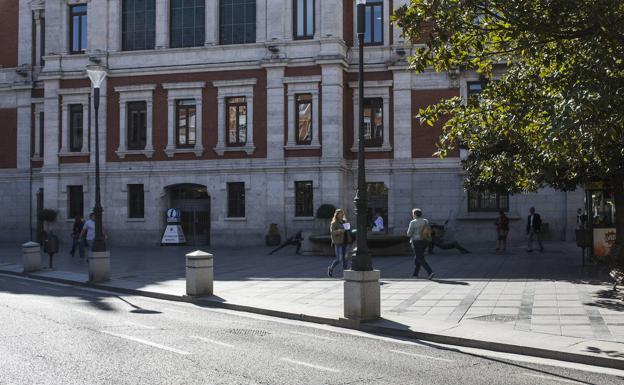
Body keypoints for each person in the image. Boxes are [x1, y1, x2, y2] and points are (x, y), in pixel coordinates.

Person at [406, 208, 435, 279]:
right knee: (418, 257)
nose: (412, 215)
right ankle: (415, 274)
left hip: (416, 241)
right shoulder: (425, 221)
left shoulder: (413, 222)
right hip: (425, 241)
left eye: (413, 214)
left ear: (415, 214)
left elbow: (409, 234)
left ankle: (430, 272)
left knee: (420, 258)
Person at [328, 209, 351, 277]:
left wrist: (350, 236)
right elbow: (332, 233)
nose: (341, 215)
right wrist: (340, 231)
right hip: (338, 242)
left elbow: (348, 231)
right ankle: (331, 268)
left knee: (345, 259)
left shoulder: (345, 222)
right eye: (339, 214)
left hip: (346, 241)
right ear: (337, 215)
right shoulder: (334, 223)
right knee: (339, 259)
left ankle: (345, 274)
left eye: (342, 214)